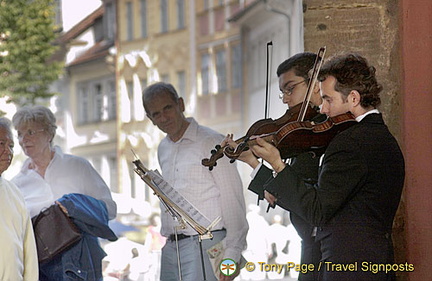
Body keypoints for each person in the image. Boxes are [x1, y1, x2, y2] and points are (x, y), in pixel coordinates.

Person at [248, 53, 405, 281]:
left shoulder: (350, 143)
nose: (322, 109)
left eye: (328, 99)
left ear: (353, 98)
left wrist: (279, 165)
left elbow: (318, 211)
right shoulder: (380, 136)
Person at [224, 52, 325, 281]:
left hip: (326, 250)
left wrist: (276, 167)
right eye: (282, 92)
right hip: (310, 248)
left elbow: (302, 193)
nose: (285, 99)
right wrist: (252, 160)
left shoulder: (321, 134)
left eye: (290, 89)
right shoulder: (301, 135)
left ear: (315, 84)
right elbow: (285, 193)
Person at [142, 82, 248, 281]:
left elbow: (233, 198)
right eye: (156, 114)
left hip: (206, 244)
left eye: (168, 108)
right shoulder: (162, 148)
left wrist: (232, 253)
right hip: (171, 247)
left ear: (180, 104)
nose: (164, 118)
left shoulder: (211, 141)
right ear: (150, 119)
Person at [11, 105, 118, 281]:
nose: (24, 139)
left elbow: (110, 209)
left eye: (30, 132)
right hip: (42, 268)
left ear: (49, 134)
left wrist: (75, 207)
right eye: (20, 134)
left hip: (83, 261)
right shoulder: (17, 183)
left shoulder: (77, 166)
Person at [0, 117, 38, 281]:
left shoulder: (14, 192)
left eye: (11, 146)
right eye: (1, 144)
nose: (8, 151)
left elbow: (29, 253)